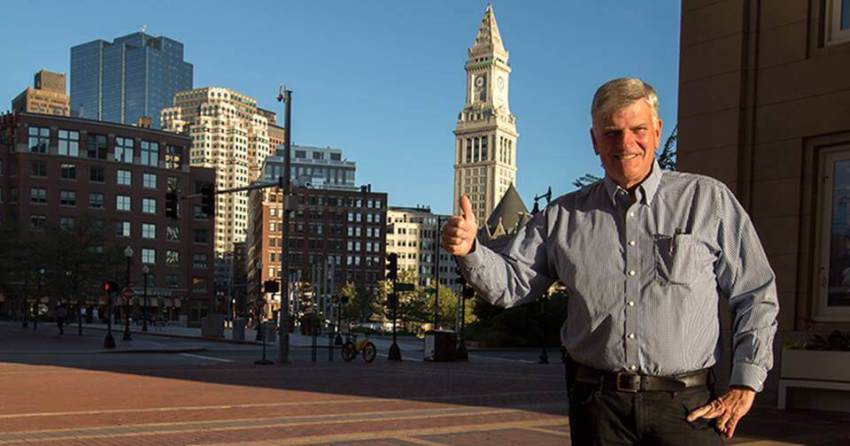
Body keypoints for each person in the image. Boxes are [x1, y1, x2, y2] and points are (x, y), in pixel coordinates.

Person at [441, 77, 779, 445]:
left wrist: (746, 383)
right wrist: (470, 249)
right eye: (612, 133)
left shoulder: (706, 201)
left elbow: (755, 292)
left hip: (687, 408)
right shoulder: (564, 216)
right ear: (595, 142)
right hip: (598, 407)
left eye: (638, 130)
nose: (625, 143)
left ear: (657, 131)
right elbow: (511, 284)